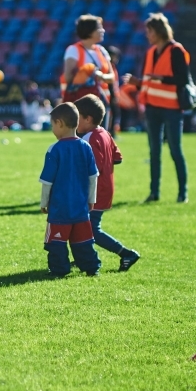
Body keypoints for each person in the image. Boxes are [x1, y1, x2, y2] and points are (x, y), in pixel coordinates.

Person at [123, 13, 190, 204]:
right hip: (152, 108)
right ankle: (154, 192)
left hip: (172, 108)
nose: (147, 34)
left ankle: (182, 192)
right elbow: (150, 80)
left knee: (175, 150)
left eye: (150, 31)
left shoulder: (176, 50)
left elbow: (182, 79)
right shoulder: (151, 52)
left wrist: (161, 79)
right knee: (154, 152)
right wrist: (137, 83)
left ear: (159, 31)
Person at [75, 95, 140, 271]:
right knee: (83, 226)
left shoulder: (88, 139)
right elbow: (117, 158)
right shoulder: (104, 133)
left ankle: (126, 253)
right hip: (106, 188)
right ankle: (83, 256)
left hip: (94, 191)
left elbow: (91, 170)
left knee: (92, 229)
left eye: (77, 117)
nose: (74, 122)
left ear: (87, 119)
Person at [39, 102, 101, 277]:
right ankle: (91, 267)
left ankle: (59, 270)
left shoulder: (55, 149)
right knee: (83, 241)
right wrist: (91, 200)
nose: (52, 129)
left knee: (56, 242)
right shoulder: (85, 147)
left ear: (59, 123)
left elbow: (47, 182)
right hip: (81, 207)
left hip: (59, 209)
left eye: (52, 125)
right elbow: (92, 177)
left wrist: (44, 202)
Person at [62, 15, 114, 112]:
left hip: (102, 102)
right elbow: (68, 77)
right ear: (89, 31)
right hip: (81, 103)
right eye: (99, 28)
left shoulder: (102, 51)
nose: (103, 30)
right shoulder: (73, 50)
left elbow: (112, 77)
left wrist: (100, 76)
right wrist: (86, 73)